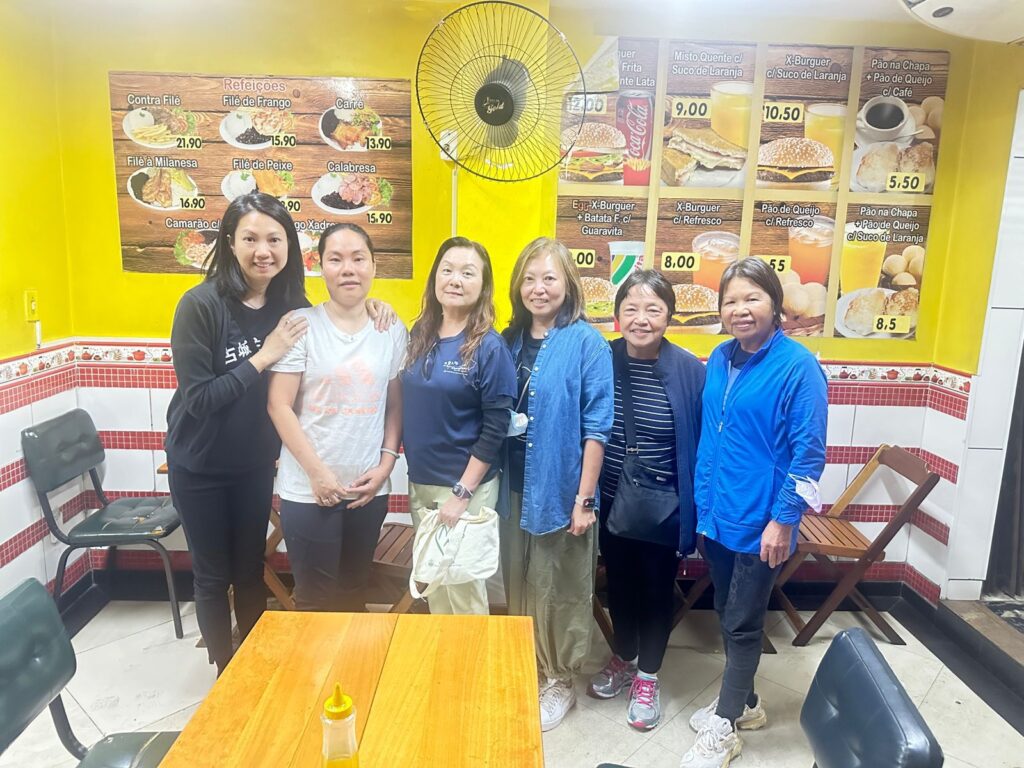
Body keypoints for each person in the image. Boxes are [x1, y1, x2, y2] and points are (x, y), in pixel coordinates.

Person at [680, 257, 827, 768]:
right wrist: (701, 507)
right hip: (717, 513)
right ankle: (746, 704)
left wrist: (784, 520)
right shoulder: (720, 358)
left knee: (742, 622)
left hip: (761, 520)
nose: (739, 309)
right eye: (730, 301)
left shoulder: (798, 367)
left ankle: (725, 729)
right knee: (726, 609)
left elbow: (809, 456)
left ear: (775, 303)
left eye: (752, 298)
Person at [165, 192, 309, 675]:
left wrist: (373, 310)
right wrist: (264, 356)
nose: (262, 250)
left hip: (254, 463)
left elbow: (333, 331)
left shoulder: (293, 306)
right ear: (230, 243)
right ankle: (223, 673)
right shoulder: (200, 305)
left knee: (250, 569)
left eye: (274, 239)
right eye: (250, 239)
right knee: (211, 576)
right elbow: (200, 400)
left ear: (288, 246)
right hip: (199, 464)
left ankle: (251, 669)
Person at [499, 237, 613, 731]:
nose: (538, 288)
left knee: (560, 585)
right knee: (519, 580)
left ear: (568, 284)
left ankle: (560, 678)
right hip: (511, 487)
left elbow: (597, 427)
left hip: (563, 488)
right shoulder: (507, 340)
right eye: (529, 278)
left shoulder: (587, 343)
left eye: (549, 278)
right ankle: (527, 662)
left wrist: (584, 500)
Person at [266, 223, 406, 613]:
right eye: (336, 259)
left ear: (374, 266)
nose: (348, 269)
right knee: (314, 601)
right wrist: (318, 474)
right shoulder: (301, 325)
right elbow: (278, 405)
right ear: (320, 266)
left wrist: (385, 466)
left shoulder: (391, 329)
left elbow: (395, 405)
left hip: (367, 490)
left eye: (358, 259)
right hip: (308, 490)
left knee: (355, 593)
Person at [587, 271, 704, 731]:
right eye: (631, 308)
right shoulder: (602, 357)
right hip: (609, 498)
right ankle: (623, 656)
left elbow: (703, 440)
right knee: (618, 585)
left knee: (656, 589)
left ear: (669, 316)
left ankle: (648, 677)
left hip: (663, 504)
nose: (641, 319)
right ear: (617, 315)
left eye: (653, 309)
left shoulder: (689, 370)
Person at [400, 237, 516, 614]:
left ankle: (472, 656)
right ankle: (444, 654)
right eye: (447, 270)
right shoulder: (420, 334)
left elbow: (496, 427)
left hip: (465, 488)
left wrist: (462, 493)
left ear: (483, 285)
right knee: (434, 584)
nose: (455, 279)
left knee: (464, 593)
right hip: (422, 482)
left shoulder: (489, 347)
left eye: (468, 273)